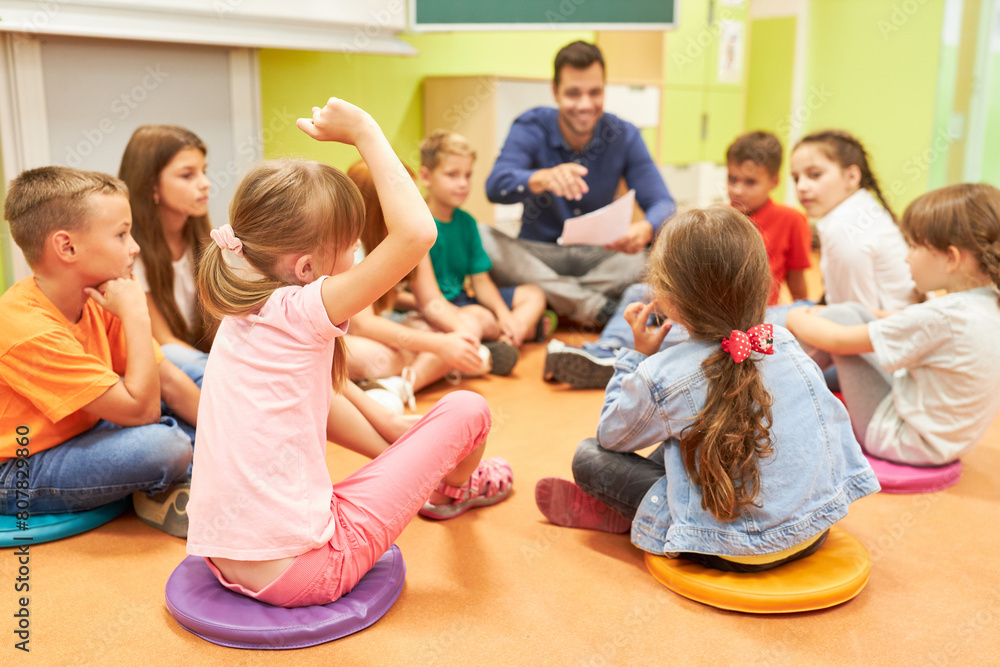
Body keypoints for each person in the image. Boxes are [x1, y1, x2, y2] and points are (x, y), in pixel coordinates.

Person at [186, 98, 513, 608]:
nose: (359, 253)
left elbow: (320, 395)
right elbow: (417, 234)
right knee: (469, 409)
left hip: (225, 556)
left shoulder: (246, 297)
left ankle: (429, 471)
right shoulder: (302, 308)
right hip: (307, 570)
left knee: (391, 429)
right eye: (352, 245)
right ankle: (456, 486)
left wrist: (400, 438)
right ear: (306, 268)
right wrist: (364, 129)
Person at [534, 206, 879, 572]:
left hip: (731, 548)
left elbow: (612, 436)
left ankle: (629, 513)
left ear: (669, 299)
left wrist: (636, 358)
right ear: (761, 284)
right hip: (814, 527)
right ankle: (625, 511)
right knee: (690, 429)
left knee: (589, 457)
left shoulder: (664, 375)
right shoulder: (781, 341)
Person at [0, 166, 200, 537]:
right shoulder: (25, 329)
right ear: (67, 247)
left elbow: (169, 381)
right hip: (18, 467)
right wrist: (137, 314)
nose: (134, 246)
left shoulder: (97, 294)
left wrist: (228, 441)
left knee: (195, 376)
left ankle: (177, 477)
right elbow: (142, 412)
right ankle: (171, 480)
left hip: (89, 427)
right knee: (164, 446)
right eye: (122, 234)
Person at [543, 131, 813, 388]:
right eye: (732, 179)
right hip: (703, 303)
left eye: (750, 182)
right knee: (638, 292)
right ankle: (607, 349)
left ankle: (623, 360)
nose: (738, 190)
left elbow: (798, 280)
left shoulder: (791, 220)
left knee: (680, 333)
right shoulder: (719, 216)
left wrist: (802, 311)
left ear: (774, 181)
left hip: (746, 316)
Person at [786, 183, 1000, 466]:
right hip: (945, 441)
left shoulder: (944, 316)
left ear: (952, 258)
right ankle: (799, 380)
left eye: (915, 246)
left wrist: (796, 316)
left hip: (901, 439)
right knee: (851, 312)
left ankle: (777, 388)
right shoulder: (986, 301)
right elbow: (903, 320)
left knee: (841, 318)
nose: (906, 256)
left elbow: (837, 339)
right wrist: (854, 311)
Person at [481, 40, 675, 327]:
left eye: (594, 93)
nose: (585, 105)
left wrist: (645, 228)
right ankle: (596, 307)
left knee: (659, 260)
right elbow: (495, 186)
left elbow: (663, 203)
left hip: (601, 257)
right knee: (480, 238)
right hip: (539, 254)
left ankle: (559, 298)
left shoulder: (624, 134)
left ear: (604, 90)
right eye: (573, 93)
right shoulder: (531, 126)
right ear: (555, 91)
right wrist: (540, 178)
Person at [343, 160, 494, 404]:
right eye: (407, 200)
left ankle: (399, 386)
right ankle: (438, 367)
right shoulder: (350, 249)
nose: (416, 208)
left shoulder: (413, 236)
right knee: (384, 357)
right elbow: (364, 326)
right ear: (378, 207)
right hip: (348, 337)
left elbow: (432, 302)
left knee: (470, 323)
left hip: (388, 331)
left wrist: (463, 335)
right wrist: (439, 345)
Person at [419, 130, 555, 372]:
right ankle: (513, 335)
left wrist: (504, 314)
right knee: (480, 318)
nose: (463, 183)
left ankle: (505, 341)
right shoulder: (417, 223)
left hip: (462, 299)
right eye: (452, 175)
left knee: (533, 295)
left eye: (468, 175)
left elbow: (481, 281)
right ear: (426, 176)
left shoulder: (467, 223)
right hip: (435, 309)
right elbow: (410, 296)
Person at [118, 125, 214, 385]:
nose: (205, 184)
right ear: (152, 186)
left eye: (204, 172)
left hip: (200, 358)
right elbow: (163, 341)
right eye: (187, 175)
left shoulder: (207, 240)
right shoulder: (131, 252)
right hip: (162, 365)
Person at [790, 129, 916, 311]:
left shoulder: (845, 228)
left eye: (815, 174)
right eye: (796, 178)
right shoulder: (861, 209)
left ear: (851, 177)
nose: (801, 187)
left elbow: (858, 317)